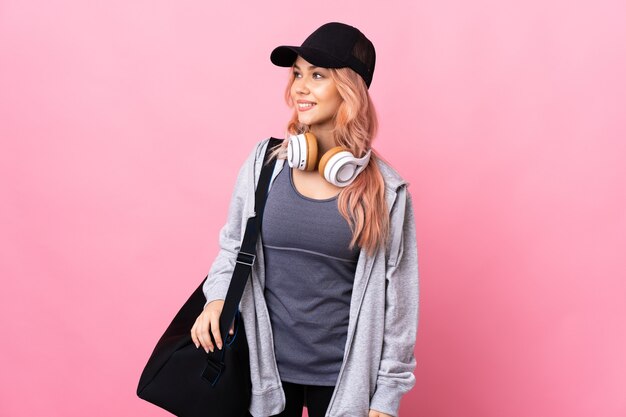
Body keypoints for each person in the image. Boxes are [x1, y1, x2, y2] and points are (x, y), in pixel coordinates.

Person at [190, 22, 419, 417]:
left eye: (317, 76)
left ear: (349, 88)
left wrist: (386, 396)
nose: (299, 87)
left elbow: (399, 302)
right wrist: (216, 299)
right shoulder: (264, 163)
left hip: (344, 383)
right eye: (297, 73)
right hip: (261, 373)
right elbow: (232, 245)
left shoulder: (387, 190)